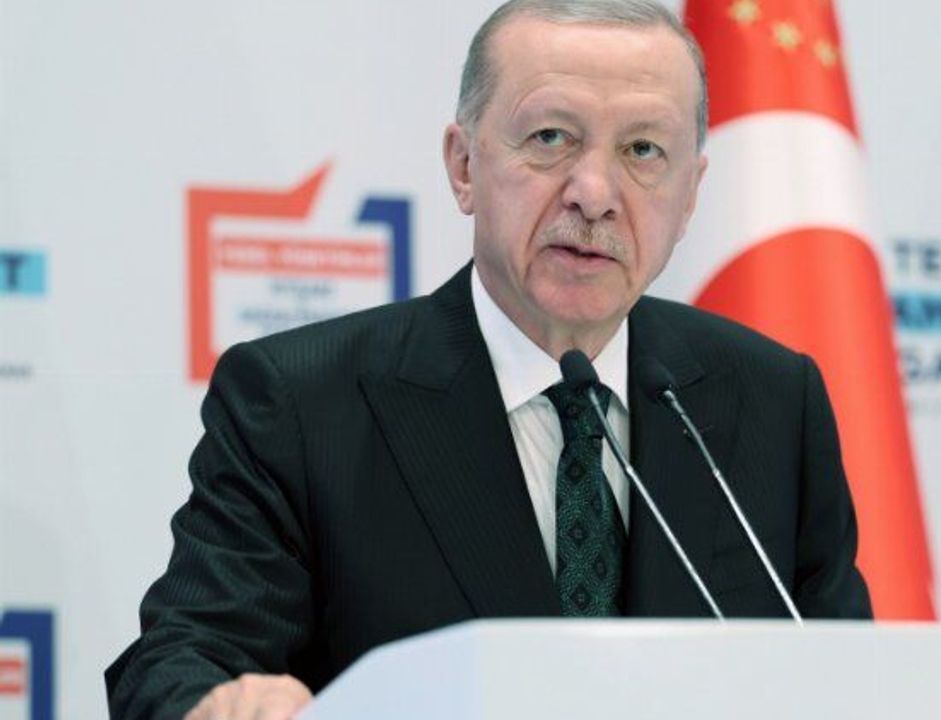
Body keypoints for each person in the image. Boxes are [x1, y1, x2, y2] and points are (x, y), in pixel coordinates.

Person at [105, 0, 872, 717]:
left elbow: (853, 682)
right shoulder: (303, 403)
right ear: (464, 165)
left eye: (643, 150)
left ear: (690, 193)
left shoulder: (773, 401)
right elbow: (181, 658)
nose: (595, 193)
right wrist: (225, 702)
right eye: (551, 139)